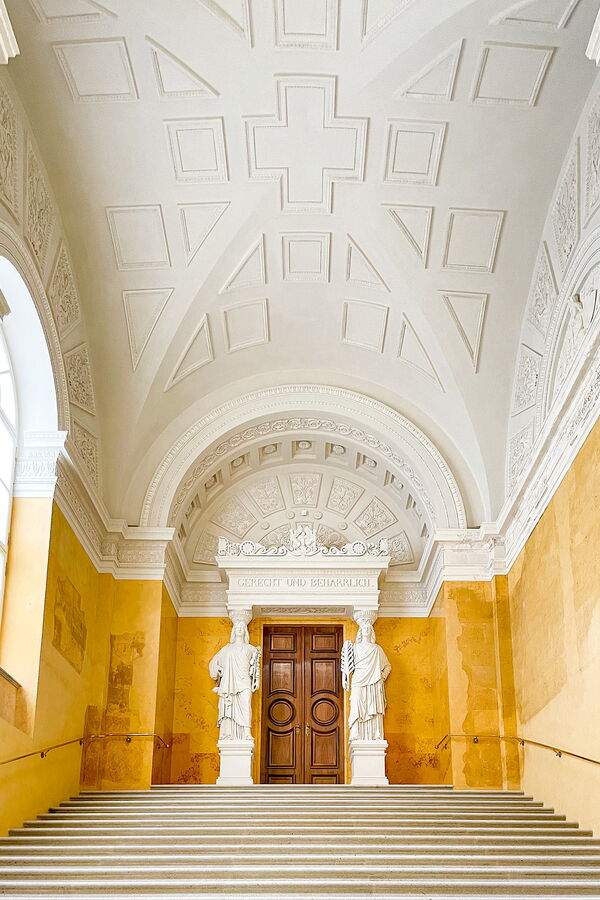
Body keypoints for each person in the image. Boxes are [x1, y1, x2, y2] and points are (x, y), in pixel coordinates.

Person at [209, 620, 261, 741]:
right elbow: (214, 663)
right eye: (237, 627)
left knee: (246, 704)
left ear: (245, 632)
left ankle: (246, 733)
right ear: (233, 631)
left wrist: (256, 682)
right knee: (229, 706)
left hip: (244, 681)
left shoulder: (251, 649)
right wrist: (219, 669)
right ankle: (229, 734)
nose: (239, 629)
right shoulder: (227, 649)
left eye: (241, 628)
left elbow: (256, 668)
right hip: (230, 682)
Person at [342, 620, 391, 741]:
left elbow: (388, 666)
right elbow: (347, 666)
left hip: (374, 681)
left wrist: (381, 678)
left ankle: (376, 734)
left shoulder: (377, 649)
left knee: (374, 705)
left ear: (372, 632)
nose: (367, 630)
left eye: (369, 628)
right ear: (360, 631)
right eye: (364, 628)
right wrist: (345, 677)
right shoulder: (354, 648)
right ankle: (355, 732)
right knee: (356, 704)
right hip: (358, 679)